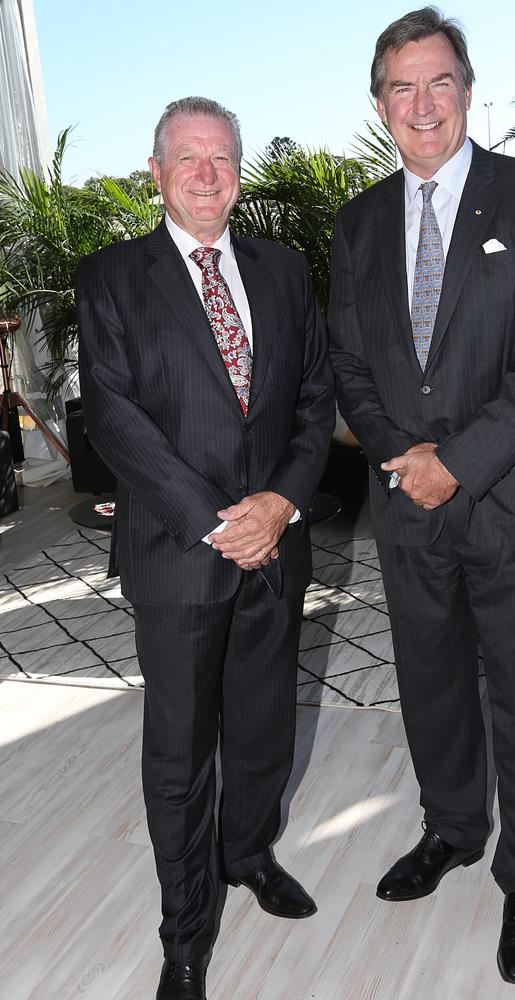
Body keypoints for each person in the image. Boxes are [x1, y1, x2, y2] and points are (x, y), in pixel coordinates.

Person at [328, 7, 515, 987]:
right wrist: (403, 456)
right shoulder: (354, 224)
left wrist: (456, 460)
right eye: (401, 87)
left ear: (468, 89)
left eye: (438, 82)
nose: (421, 104)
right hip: (404, 505)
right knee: (431, 686)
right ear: (379, 102)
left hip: (514, 505)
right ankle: (449, 828)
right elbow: (349, 361)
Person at [76, 97, 334, 1000]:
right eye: (188, 156)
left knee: (263, 729)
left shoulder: (283, 268)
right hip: (181, 552)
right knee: (181, 755)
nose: (207, 171)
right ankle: (185, 934)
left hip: (277, 546)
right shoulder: (111, 275)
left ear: (238, 170)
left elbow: (313, 395)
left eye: (222, 155)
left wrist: (280, 504)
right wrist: (222, 520)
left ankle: (250, 854)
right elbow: (113, 414)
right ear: (157, 173)